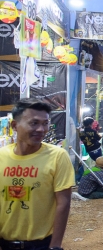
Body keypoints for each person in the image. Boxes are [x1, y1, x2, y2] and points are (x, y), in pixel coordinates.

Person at [0, 99, 74, 250]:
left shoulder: (57, 156)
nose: (41, 129)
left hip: (41, 245)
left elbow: (63, 203)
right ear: (15, 126)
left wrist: (55, 246)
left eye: (45, 123)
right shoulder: (2, 156)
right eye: (34, 123)